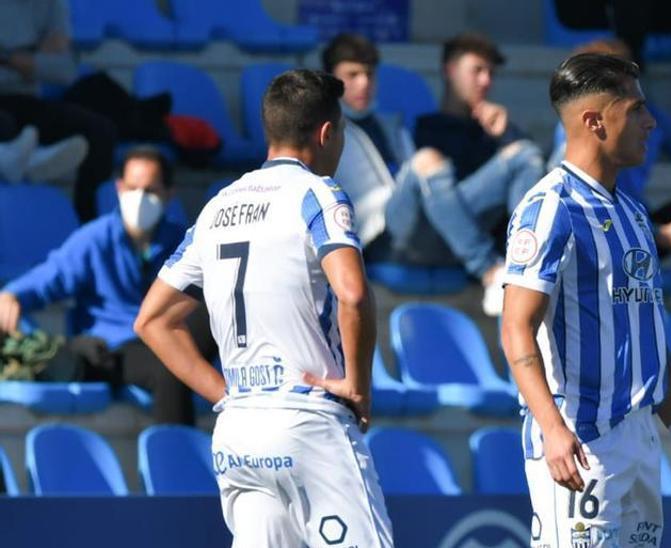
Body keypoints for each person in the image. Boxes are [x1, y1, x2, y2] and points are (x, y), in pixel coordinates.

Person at [134, 69, 393, 547]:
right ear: (326, 133)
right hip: (306, 421)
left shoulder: (217, 207)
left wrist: (224, 395)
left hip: (239, 431)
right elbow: (353, 294)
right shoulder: (317, 193)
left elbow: (151, 320)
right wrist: (358, 385)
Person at [501, 53, 671, 547]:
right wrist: (552, 429)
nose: (651, 121)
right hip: (580, 441)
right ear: (594, 120)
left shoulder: (635, 214)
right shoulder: (550, 208)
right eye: (637, 109)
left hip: (640, 440)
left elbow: (649, 332)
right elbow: (516, 328)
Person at [0, 146, 208, 425]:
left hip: (167, 338)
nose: (139, 199)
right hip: (114, 348)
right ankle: (178, 457)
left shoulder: (180, 240)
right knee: (170, 366)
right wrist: (13, 294)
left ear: (169, 194)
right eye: (132, 188)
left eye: (150, 191)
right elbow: (51, 275)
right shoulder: (95, 239)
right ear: (119, 188)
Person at [550, 39, 671, 310]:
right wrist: (663, 235)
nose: (648, 122)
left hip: (642, 224)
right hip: (604, 240)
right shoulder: (574, 144)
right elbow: (591, 216)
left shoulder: (647, 117)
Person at [382, 32, 543, 316]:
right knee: (427, 161)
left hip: (462, 240)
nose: (486, 81)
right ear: (450, 71)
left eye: (491, 73)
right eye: (477, 70)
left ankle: (521, 267)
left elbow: (525, 176)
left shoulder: (492, 132)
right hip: (416, 235)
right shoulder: (422, 128)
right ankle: (491, 271)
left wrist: (505, 134)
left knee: (525, 153)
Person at [0, 0, 119, 221]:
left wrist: (10, 58)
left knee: (100, 131)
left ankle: (89, 229)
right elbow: (49, 64)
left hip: (25, 101)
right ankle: (29, 159)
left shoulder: (51, 4)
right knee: (5, 126)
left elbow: (65, 71)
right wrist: (32, 57)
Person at [323, 33, 415, 245]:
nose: (363, 83)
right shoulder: (324, 132)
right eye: (352, 75)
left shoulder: (393, 126)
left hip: (410, 220)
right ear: (330, 79)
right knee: (427, 163)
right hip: (371, 236)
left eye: (369, 74)